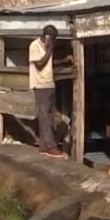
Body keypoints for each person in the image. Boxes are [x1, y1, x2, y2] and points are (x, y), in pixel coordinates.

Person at [29, 25, 72, 158]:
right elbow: (40, 65)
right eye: (53, 39)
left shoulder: (48, 47)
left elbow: (49, 63)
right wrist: (49, 50)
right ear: (47, 37)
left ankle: (44, 146)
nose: (54, 41)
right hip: (40, 85)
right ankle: (51, 147)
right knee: (45, 117)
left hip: (49, 83)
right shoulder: (35, 46)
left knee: (50, 116)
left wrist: (64, 61)